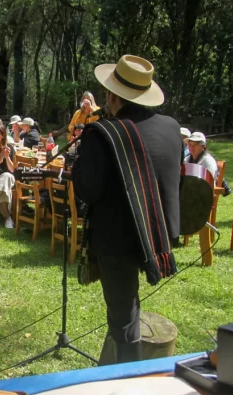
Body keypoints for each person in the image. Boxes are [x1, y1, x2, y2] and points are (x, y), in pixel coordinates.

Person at [72, 54, 181, 364]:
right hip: (159, 234)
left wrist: (80, 162)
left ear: (111, 95)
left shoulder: (103, 133)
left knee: (122, 321)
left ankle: (128, 375)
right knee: (128, 309)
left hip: (118, 239)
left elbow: (89, 190)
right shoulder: (173, 127)